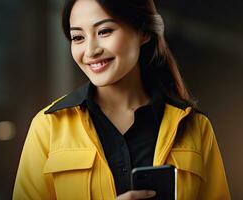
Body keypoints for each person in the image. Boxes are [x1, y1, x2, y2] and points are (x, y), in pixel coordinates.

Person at [13, 0, 231, 199]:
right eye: (78, 37)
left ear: (143, 32)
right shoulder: (48, 126)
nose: (90, 50)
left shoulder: (195, 127)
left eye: (104, 31)